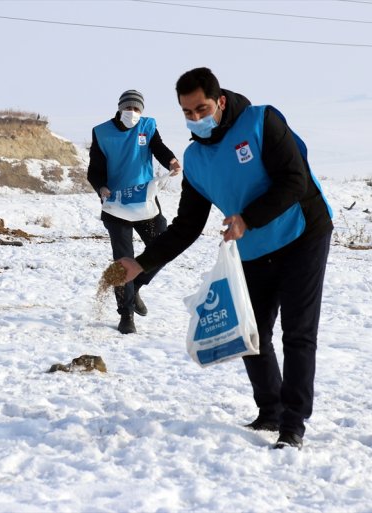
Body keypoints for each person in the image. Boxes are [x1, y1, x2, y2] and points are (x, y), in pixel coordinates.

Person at [116, 68, 333, 450]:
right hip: (251, 247)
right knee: (251, 332)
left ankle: (293, 424)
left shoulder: (262, 121)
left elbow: (294, 180)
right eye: (187, 113)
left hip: (303, 233)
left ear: (220, 101)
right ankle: (270, 410)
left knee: (298, 333)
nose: (196, 118)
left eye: (202, 108)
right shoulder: (195, 159)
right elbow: (186, 225)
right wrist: (141, 264)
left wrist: (248, 218)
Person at [88, 89, 182, 335]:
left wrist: (171, 160)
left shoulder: (147, 126)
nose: (133, 113)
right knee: (122, 260)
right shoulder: (102, 132)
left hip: (144, 201)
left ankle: (137, 284)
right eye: (129, 108)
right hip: (116, 204)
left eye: (137, 109)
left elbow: (159, 147)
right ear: (120, 108)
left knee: (163, 246)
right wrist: (102, 187)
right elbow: (94, 170)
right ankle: (126, 314)